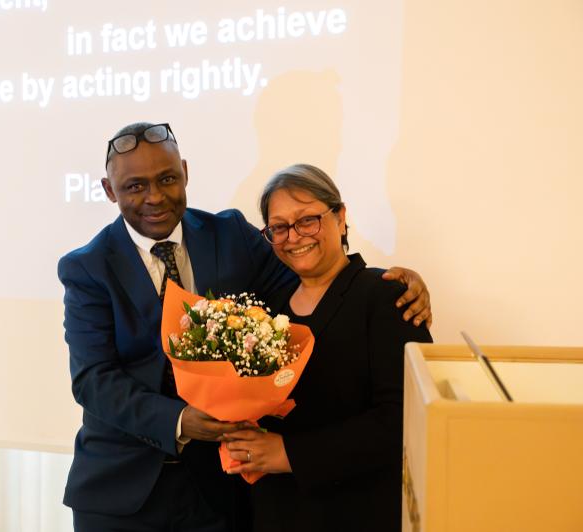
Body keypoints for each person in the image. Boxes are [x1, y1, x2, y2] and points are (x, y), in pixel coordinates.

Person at [57, 123, 431, 531]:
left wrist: (394, 283)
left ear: (184, 171)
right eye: (134, 186)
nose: (154, 197)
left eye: (167, 178)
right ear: (109, 190)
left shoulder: (231, 234)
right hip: (122, 495)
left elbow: (310, 283)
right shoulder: (87, 266)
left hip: (223, 492)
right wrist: (180, 421)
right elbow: (93, 379)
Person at [223, 163, 433, 532]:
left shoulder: (387, 297)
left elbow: (403, 419)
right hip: (275, 512)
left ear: (340, 217)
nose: (294, 236)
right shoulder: (265, 309)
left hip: (358, 513)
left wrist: (289, 454)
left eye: (308, 220)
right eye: (280, 227)